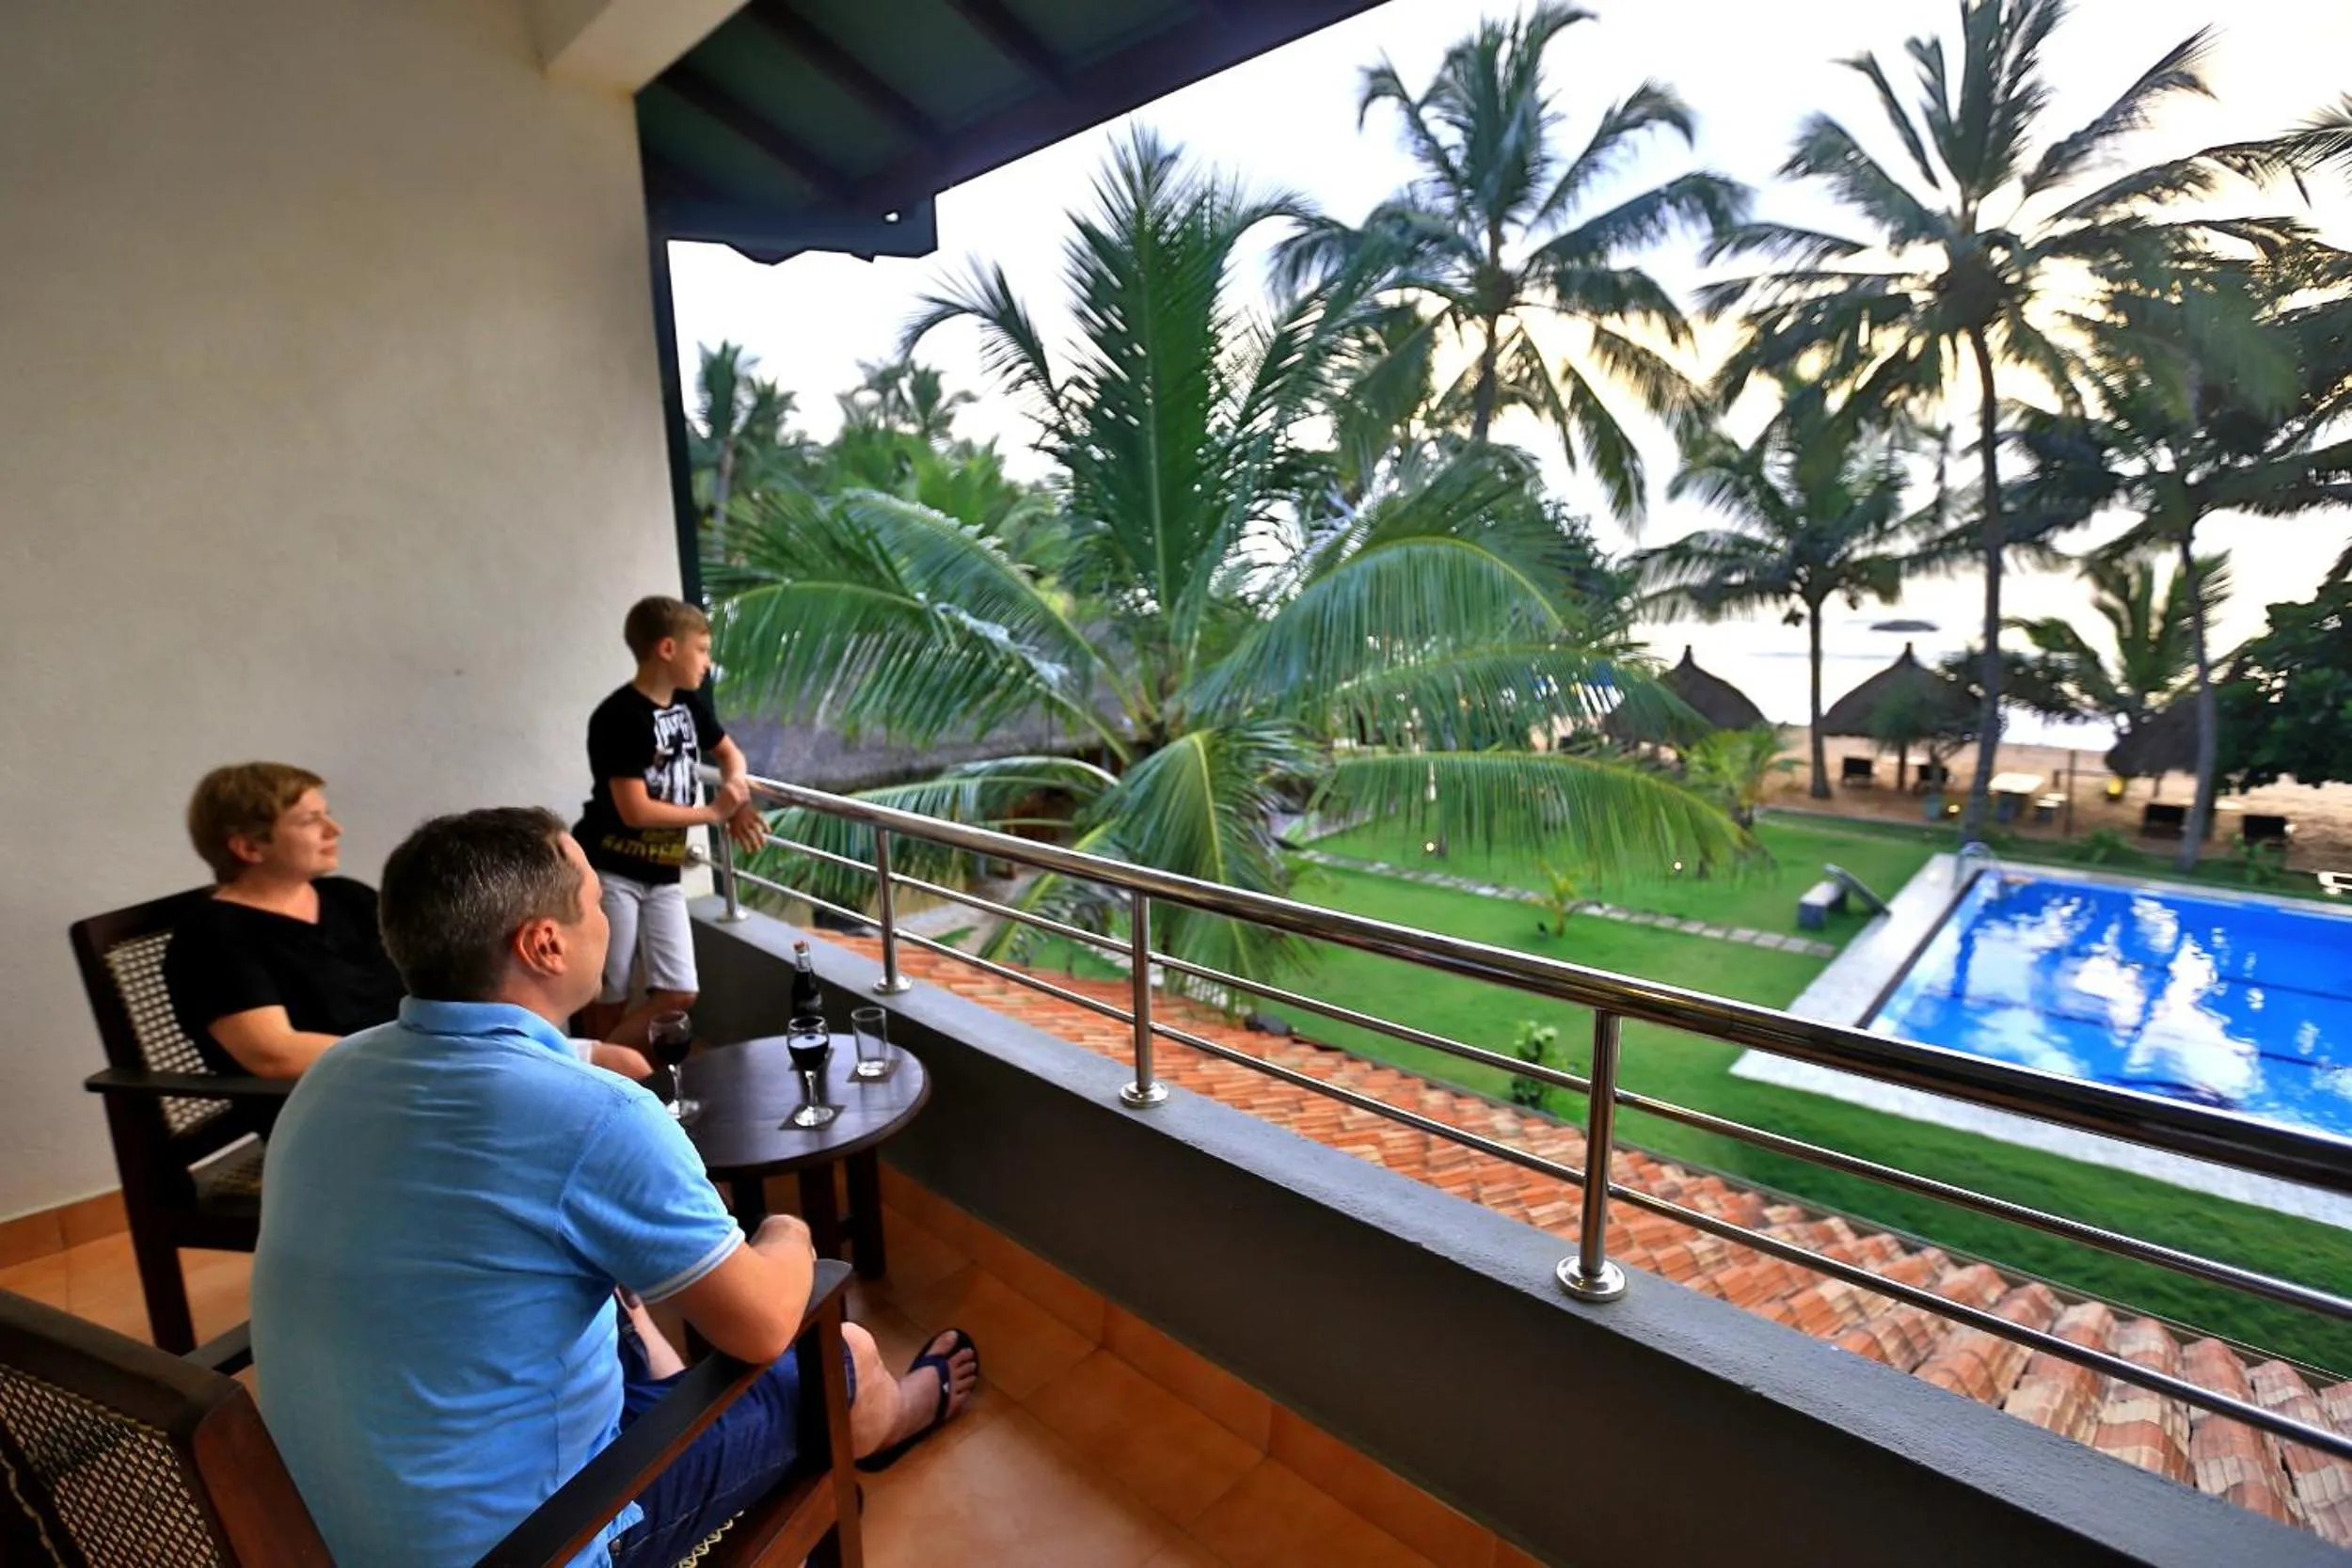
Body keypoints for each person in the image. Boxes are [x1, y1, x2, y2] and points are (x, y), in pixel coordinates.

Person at [251, 807, 977, 1568]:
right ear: (544, 942)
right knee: (845, 1349)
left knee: (608, 1289)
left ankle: (681, 1395)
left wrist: (589, 1053)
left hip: (332, 1534)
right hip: (538, 1544)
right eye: (596, 899)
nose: (605, 916)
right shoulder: (597, 1117)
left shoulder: (333, 1072)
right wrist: (788, 1231)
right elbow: (763, 1326)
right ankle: (897, 1416)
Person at [163, 762, 648, 1082]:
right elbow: (274, 1053)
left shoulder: (346, 898)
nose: (335, 830)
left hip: (437, 1066)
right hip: (355, 1101)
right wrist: (442, 1063)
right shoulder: (212, 937)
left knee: (621, 1067)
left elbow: (444, 986)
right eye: (310, 821)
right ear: (248, 847)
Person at [575, 596, 768, 1047]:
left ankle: (597, 1064)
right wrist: (715, 812)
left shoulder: (687, 704)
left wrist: (737, 799)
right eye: (700, 649)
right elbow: (634, 810)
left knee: (680, 991)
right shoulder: (617, 716)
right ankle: (605, 1076)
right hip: (612, 871)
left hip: (663, 872)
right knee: (608, 992)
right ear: (667, 649)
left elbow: (729, 753)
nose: (707, 662)